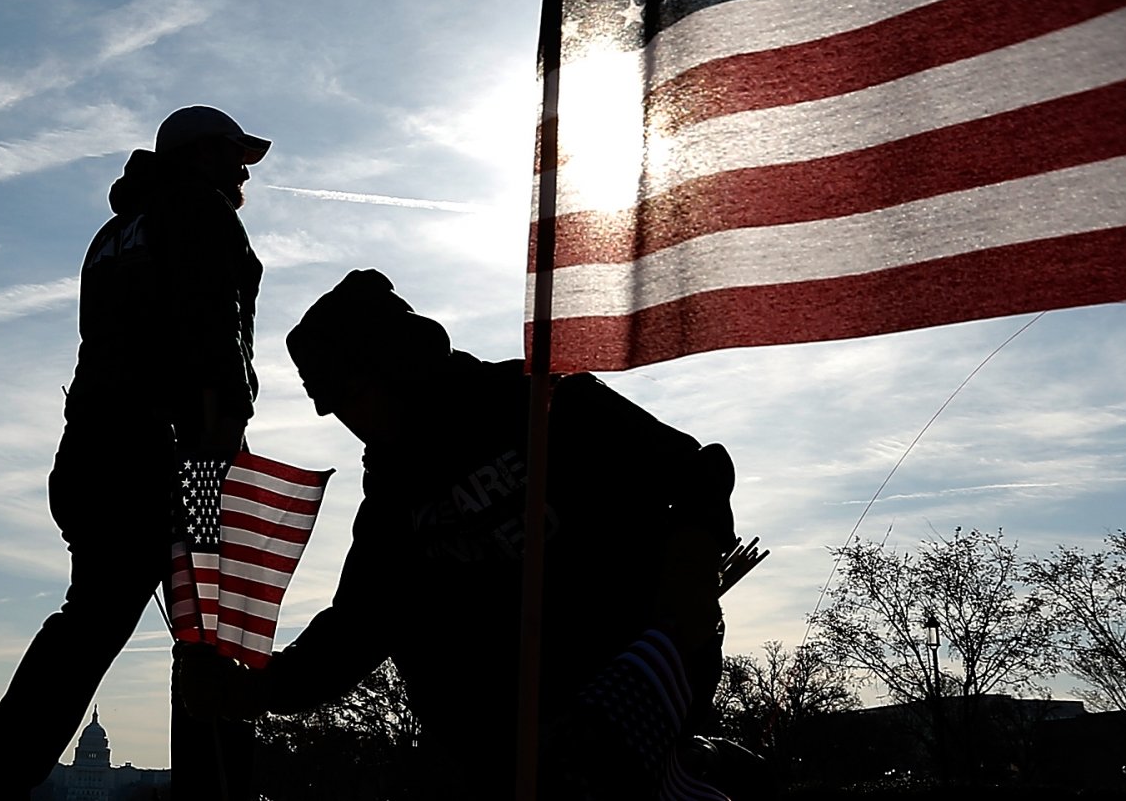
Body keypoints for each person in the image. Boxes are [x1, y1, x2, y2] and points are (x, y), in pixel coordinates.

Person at [179, 270, 740, 800]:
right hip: (507, 744)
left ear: (394, 364)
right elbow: (361, 624)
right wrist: (261, 687)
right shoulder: (394, 492)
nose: (349, 420)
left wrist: (687, 577)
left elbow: (698, 472)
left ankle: (707, 773)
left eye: (351, 395)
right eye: (333, 408)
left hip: (628, 676)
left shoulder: (535, 402)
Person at [0, 106, 271, 801]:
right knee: (211, 635)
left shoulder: (114, 232)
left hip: (93, 450)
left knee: (85, 628)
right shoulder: (198, 209)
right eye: (233, 155)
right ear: (200, 156)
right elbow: (211, 334)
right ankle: (216, 793)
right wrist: (218, 447)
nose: (244, 171)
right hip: (175, 452)